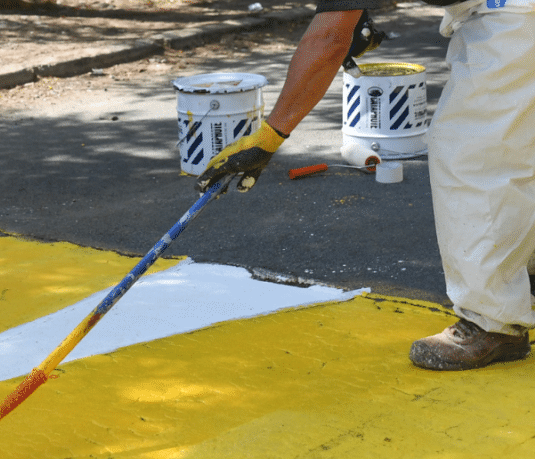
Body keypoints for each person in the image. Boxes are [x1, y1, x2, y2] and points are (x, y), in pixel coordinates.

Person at [195, 0, 534, 371]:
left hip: (514, 16)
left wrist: (270, 135)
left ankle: (493, 322)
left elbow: (327, 40)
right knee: (520, 140)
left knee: (471, 153)